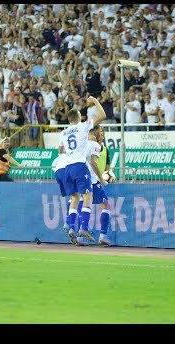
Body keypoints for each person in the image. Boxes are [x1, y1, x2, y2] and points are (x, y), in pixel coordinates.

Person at [59, 95, 106, 245]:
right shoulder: (82, 126)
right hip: (79, 166)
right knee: (88, 197)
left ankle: (69, 224)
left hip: (67, 167)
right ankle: (84, 227)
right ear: (79, 117)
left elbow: (60, 150)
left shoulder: (63, 132)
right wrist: (95, 101)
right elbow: (103, 116)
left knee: (74, 198)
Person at [75, 126, 113, 246]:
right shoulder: (94, 145)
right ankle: (102, 236)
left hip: (80, 178)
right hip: (92, 179)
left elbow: (106, 167)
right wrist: (102, 179)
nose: (103, 135)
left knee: (83, 203)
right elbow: (93, 163)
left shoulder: (84, 144)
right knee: (105, 206)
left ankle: (80, 237)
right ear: (95, 133)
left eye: (103, 132)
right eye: (101, 132)